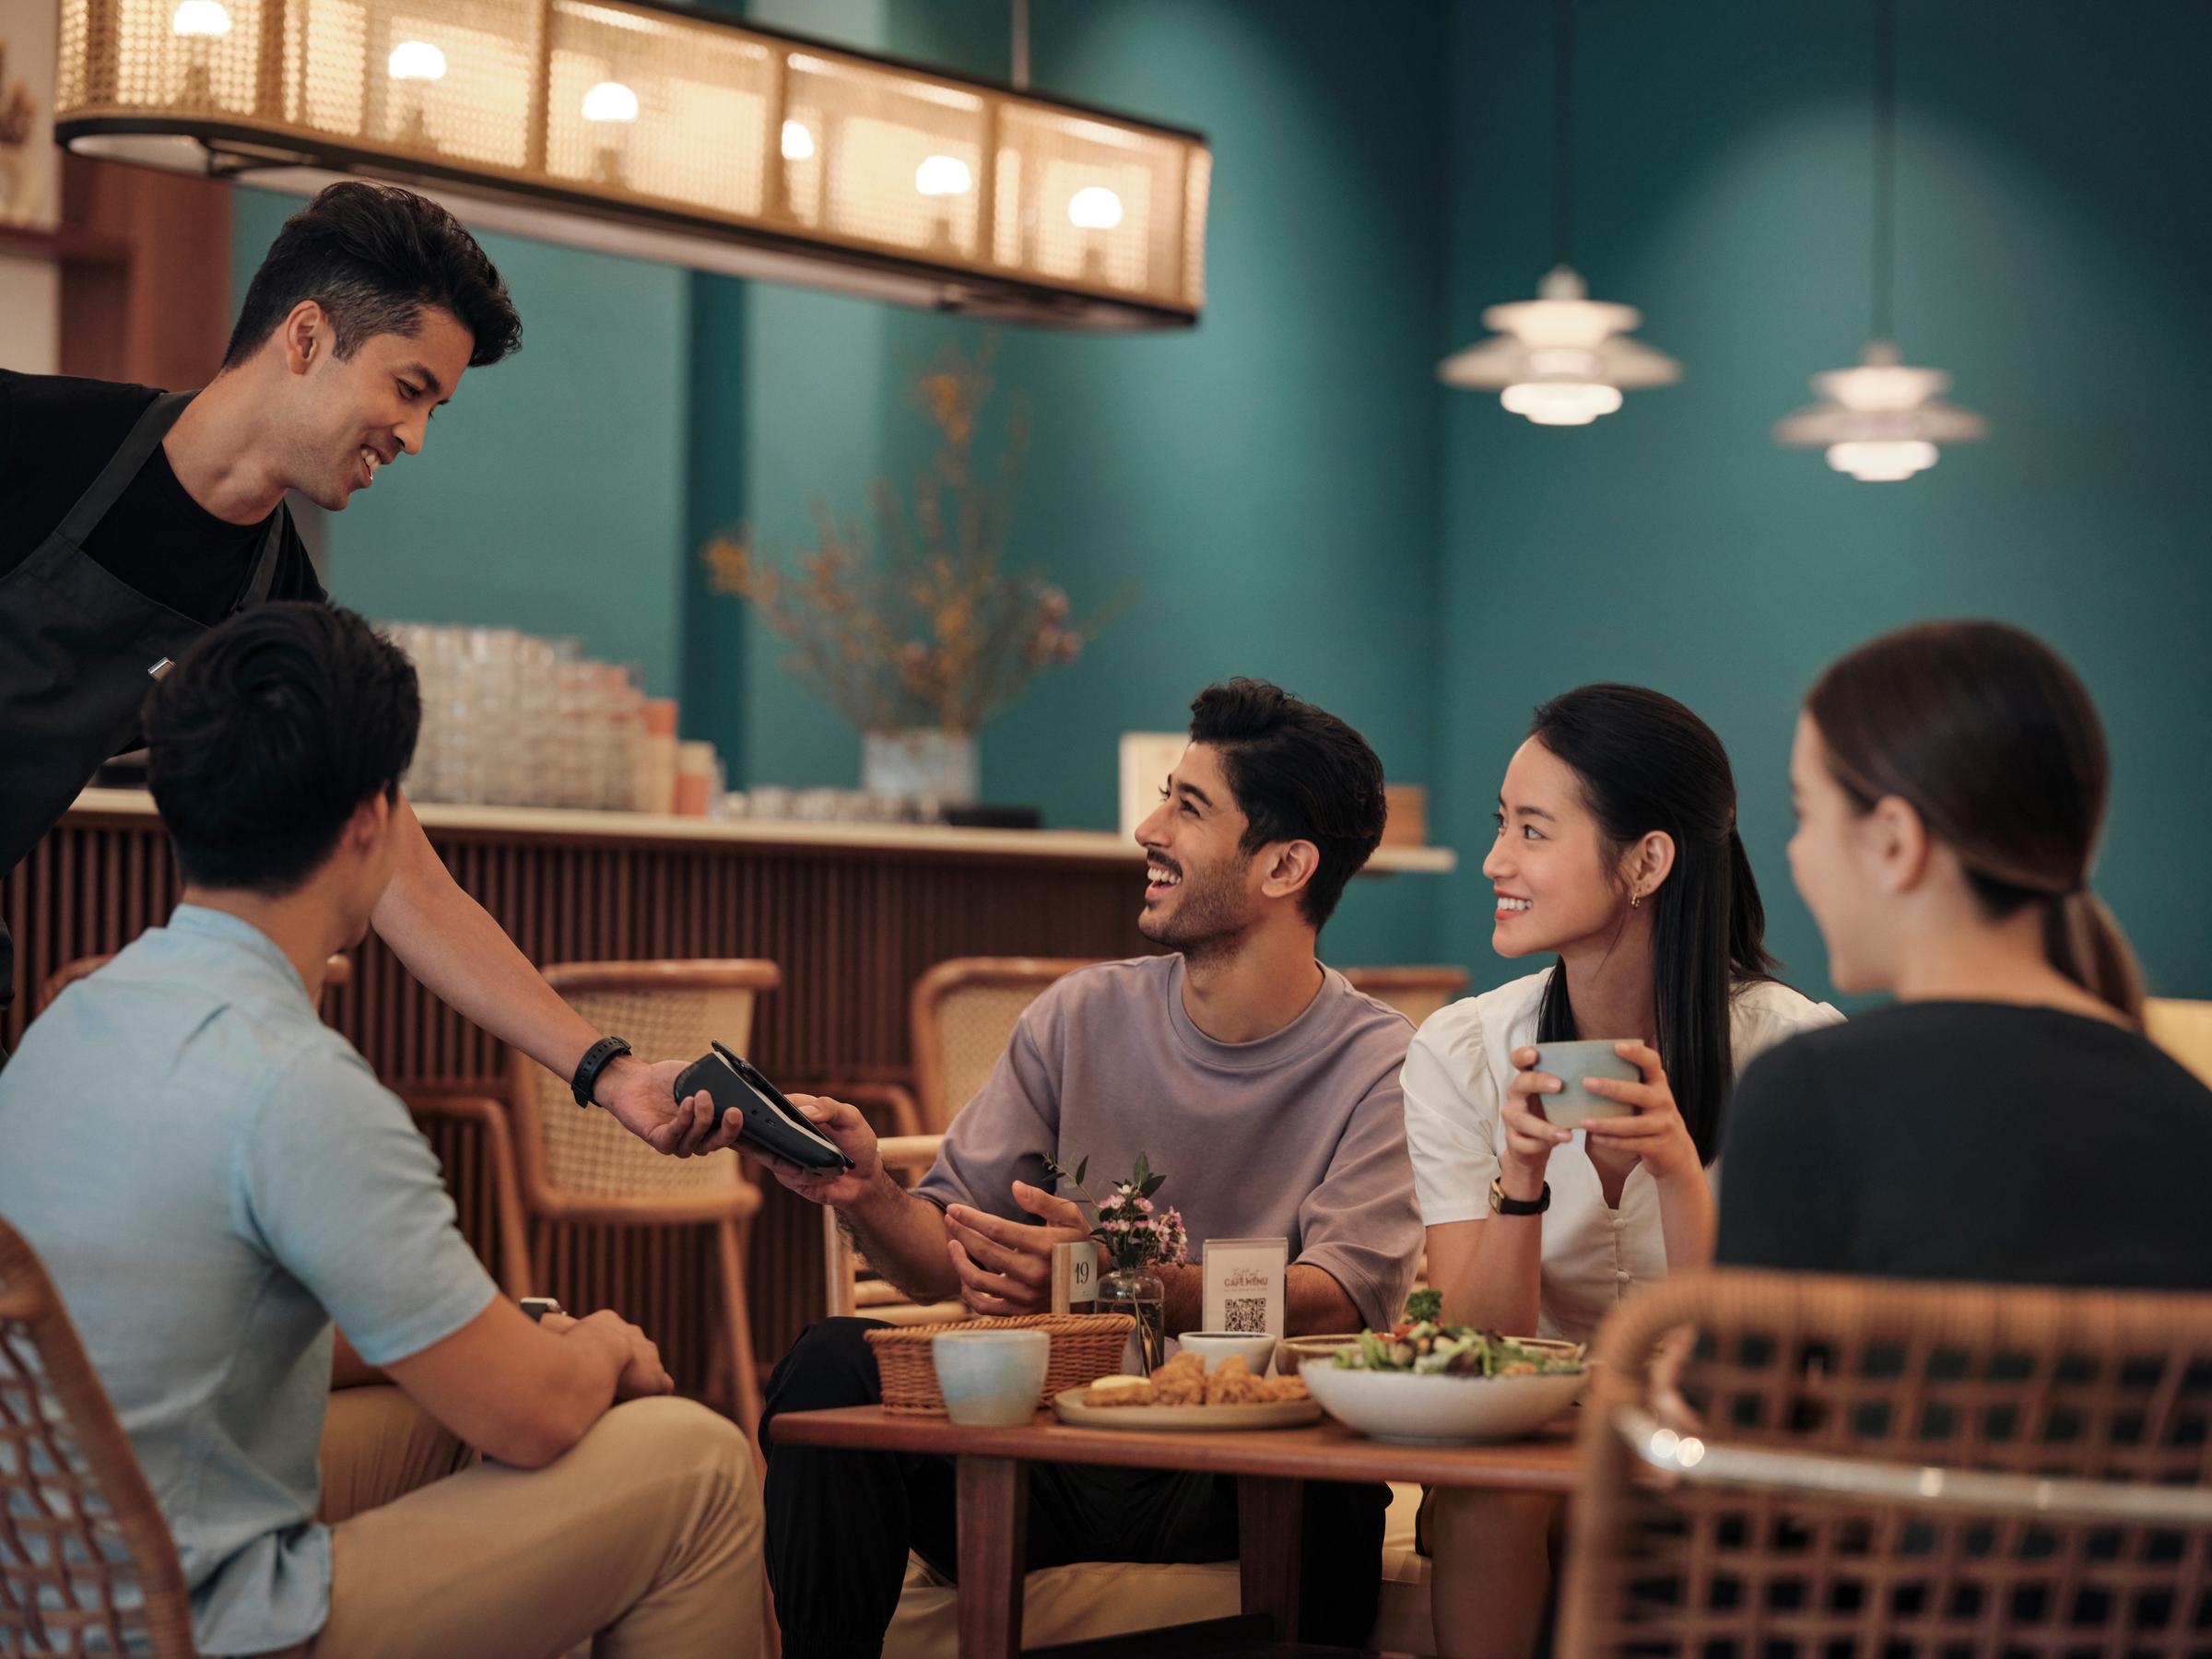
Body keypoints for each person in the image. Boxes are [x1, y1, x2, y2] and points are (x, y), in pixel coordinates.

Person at [0, 604, 763, 1658]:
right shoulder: (298, 1083)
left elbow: (213, 1319)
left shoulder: (68, 1025)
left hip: (53, 1595)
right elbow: (532, 1416)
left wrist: (517, 1327)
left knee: (464, 1419)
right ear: (375, 819)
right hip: (195, 1622)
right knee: (694, 1460)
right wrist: (596, 1345)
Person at [0, 182, 732, 1163]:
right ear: (305, 337)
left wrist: (606, 1068)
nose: (416, 436)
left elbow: (405, 879)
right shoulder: (28, 438)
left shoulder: (277, 613)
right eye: (410, 388)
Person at [757, 678, 1425, 1657]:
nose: (1149, 829)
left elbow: (1335, 1298)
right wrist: (863, 1193)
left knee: (1333, 1475)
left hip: (1234, 1467)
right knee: (826, 1362)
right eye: (1166, 795)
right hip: (1045, 1449)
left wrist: (1117, 1282)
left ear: (1286, 865)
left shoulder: (1383, 1063)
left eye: (1189, 808)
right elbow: (942, 1259)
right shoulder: (1079, 1019)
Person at [1401, 683, 1840, 1659]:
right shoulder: (1463, 1050)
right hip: (1527, 1439)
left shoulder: (1795, 1057)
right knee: (1490, 1498)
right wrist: (1519, 1180)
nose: (1495, 862)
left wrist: (1683, 1175)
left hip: (1717, 1444)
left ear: (1646, 861)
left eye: (1532, 830)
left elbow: (1760, 1365)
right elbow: (1475, 1360)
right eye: (1500, 826)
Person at [1718, 620, 2212, 1283]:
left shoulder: (1807, 1090)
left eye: (1804, 813)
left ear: (1895, 841)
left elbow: (1744, 1387)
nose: (1794, 852)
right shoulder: (2189, 1113)